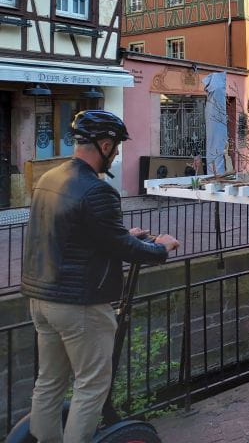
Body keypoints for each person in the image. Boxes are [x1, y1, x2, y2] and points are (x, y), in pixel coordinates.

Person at [21, 110, 181, 443]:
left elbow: (77, 234)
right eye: (117, 146)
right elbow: (121, 247)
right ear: (104, 144)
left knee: (48, 382)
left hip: (41, 299)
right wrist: (161, 248)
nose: (119, 152)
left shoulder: (48, 178)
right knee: (91, 385)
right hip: (80, 304)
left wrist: (123, 234)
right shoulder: (98, 190)